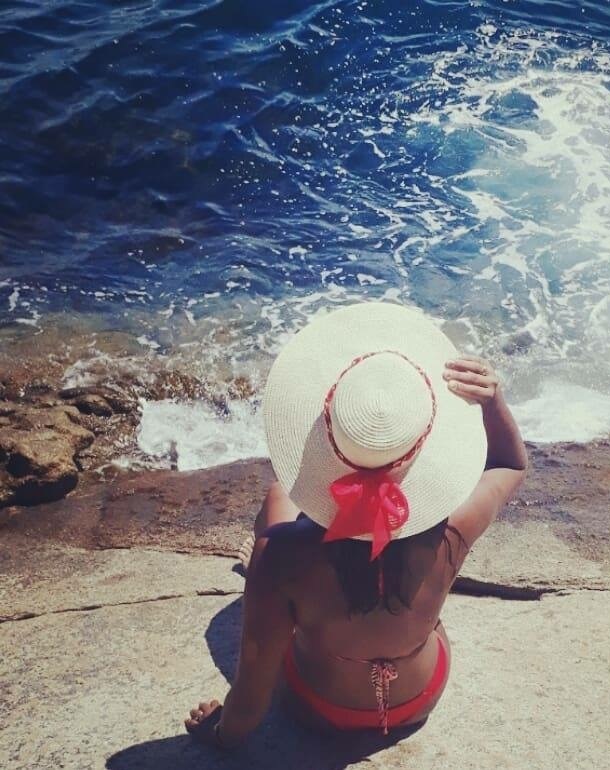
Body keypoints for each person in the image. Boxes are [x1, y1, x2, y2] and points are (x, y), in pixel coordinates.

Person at [184, 302, 527, 749]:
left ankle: (269, 592)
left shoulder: (282, 554)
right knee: (414, 608)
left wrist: (219, 732)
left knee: (279, 497)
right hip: (419, 698)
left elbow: (249, 703)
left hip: (319, 709)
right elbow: (509, 464)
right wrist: (492, 401)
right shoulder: (452, 529)